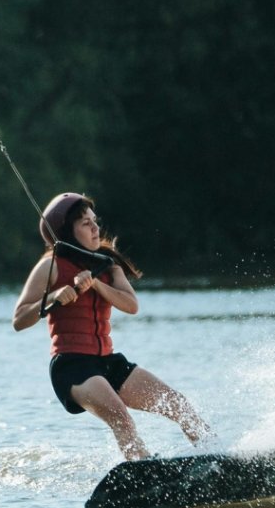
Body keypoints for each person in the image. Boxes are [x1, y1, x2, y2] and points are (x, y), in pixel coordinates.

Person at [12, 192, 209, 461]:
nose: (95, 228)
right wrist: (54, 298)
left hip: (107, 361)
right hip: (72, 367)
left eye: (94, 221)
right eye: (85, 223)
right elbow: (19, 319)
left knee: (177, 404)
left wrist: (96, 284)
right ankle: (144, 472)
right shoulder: (51, 266)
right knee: (121, 417)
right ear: (66, 232)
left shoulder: (107, 265)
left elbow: (131, 305)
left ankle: (216, 455)